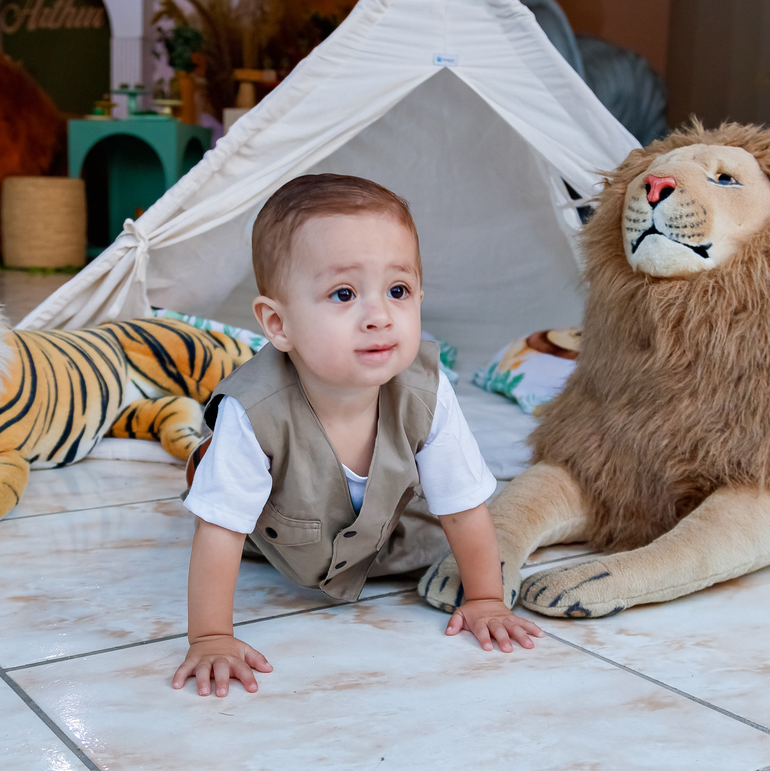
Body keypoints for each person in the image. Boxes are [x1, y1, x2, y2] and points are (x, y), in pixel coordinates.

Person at [172, 174, 542, 698]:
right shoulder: (253, 412)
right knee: (223, 502)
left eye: (398, 291)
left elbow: (462, 507)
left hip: (383, 532)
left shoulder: (427, 392)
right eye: (344, 294)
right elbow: (221, 532)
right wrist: (211, 637)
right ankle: (210, 467)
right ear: (278, 324)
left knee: (436, 532)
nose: (379, 317)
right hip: (278, 535)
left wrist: (485, 598)